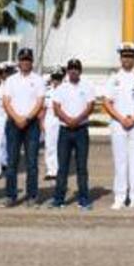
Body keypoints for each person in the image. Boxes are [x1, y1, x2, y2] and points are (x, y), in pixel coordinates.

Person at [103, 42, 134, 210]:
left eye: (130, 56)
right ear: (120, 57)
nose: (127, 59)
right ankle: (119, 196)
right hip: (118, 124)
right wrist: (121, 118)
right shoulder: (113, 78)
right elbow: (107, 102)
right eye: (124, 55)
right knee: (120, 161)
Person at [50, 57, 96, 211]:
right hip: (65, 130)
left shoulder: (87, 86)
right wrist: (68, 120)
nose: (74, 71)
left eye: (76, 68)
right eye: (71, 68)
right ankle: (59, 199)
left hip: (81, 130)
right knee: (62, 167)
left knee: (82, 167)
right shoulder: (61, 88)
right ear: (67, 71)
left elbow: (90, 107)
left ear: (80, 71)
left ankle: (83, 199)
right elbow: (56, 107)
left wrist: (77, 120)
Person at [2, 47, 46, 207]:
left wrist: (27, 118)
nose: (25, 62)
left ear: (32, 62)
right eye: (23, 60)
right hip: (13, 124)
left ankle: (32, 196)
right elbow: (6, 102)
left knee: (32, 163)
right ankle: (10, 196)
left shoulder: (39, 80)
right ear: (18, 62)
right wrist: (17, 118)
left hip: (31, 124)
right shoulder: (11, 80)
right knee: (12, 162)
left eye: (28, 60)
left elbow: (40, 102)